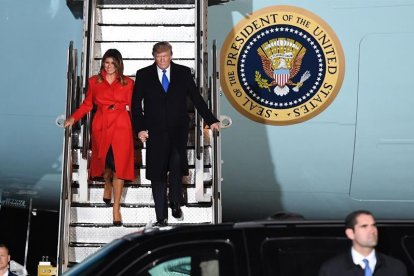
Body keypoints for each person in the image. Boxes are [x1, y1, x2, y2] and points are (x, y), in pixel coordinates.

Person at [132, 41, 220, 227]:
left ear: (171, 55)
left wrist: (211, 120)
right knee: (157, 174)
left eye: (165, 56)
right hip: (154, 132)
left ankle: (175, 202)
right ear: (154, 56)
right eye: (159, 57)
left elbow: (197, 99)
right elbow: (136, 106)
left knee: (176, 164)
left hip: (178, 130)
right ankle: (161, 216)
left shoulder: (183, 72)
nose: (163, 60)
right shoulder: (144, 75)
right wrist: (140, 128)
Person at [64, 49, 135, 226]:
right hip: (101, 125)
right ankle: (107, 183)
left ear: (119, 64)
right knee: (104, 161)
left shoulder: (128, 83)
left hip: (121, 127)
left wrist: (141, 128)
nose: (109, 66)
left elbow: (133, 107)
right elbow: (88, 104)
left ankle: (116, 208)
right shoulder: (94, 82)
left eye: (113, 63)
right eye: (106, 62)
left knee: (120, 166)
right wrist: (73, 118)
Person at [318, 210, 407, 276]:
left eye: (373, 225)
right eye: (364, 226)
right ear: (350, 233)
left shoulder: (395, 268)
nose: (372, 230)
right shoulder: (332, 269)